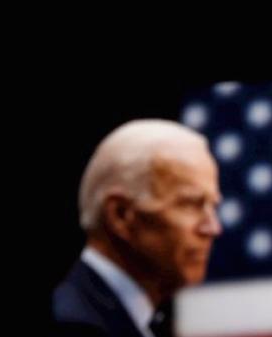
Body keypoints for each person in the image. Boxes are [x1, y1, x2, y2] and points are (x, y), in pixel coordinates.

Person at [52, 119, 222, 337]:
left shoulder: (140, 320)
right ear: (120, 215)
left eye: (212, 206)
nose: (213, 228)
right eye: (190, 204)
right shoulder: (75, 326)